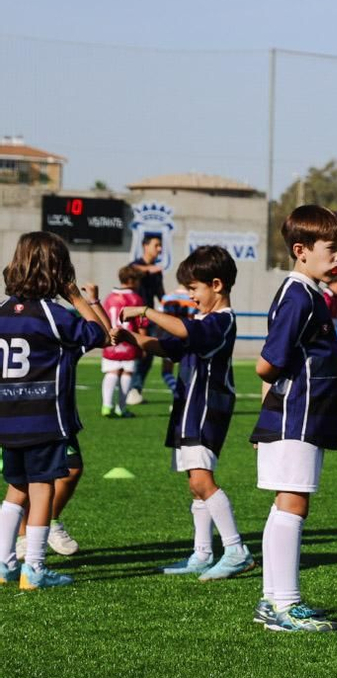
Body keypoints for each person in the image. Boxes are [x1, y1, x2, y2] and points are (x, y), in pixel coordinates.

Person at [124, 245, 254, 581]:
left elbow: (187, 333)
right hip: (188, 407)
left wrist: (147, 311)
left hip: (206, 408)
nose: (191, 296)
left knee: (202, 480)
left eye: (194, 289)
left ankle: (236, 550)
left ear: (217, 285)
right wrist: (133, 337)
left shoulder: (222, 321)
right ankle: (202, 553)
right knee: (194, 486)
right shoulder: (203, 319)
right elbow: (171, 346)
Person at [250, 205, 337, 632]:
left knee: (285, 504)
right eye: (333, 248)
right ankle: (286, 604)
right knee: (294, 502)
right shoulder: (300, 296)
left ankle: (273, 600)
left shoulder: (307, 293)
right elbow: (267, 363)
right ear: (301, 250)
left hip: (297, 415)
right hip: (297, 415)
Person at [0, 232, 111, 590]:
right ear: (59, 270)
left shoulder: (3, 314)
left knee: (15, 489)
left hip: (7, 418)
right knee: (41, 486)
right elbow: (99, 334)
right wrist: (77, 297)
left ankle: (4, 565)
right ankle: (34, 568)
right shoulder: (51, 314)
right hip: (44, 417)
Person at [100, 265, 147, 418]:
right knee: (127, 373)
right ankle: (122, 408)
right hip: (130, 341)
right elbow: (142, 324)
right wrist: (145, 344)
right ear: (132, 280)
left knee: (111, 371)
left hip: (112, 342)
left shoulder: (109, 297)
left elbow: (103, 318)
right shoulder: (136, 298)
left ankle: (106, 406)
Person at [126, 233, 166, 405]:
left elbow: (161, 295)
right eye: (156, 245)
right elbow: (130, 270)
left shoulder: (156, 272)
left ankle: (135, 389)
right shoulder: (136, 267)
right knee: (135, 354)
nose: (160, 249)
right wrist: (148, 269)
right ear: (145, 246)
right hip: (133, 318)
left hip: (148, 318)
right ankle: (129, 390)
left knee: (148, 354)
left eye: (160, 245)